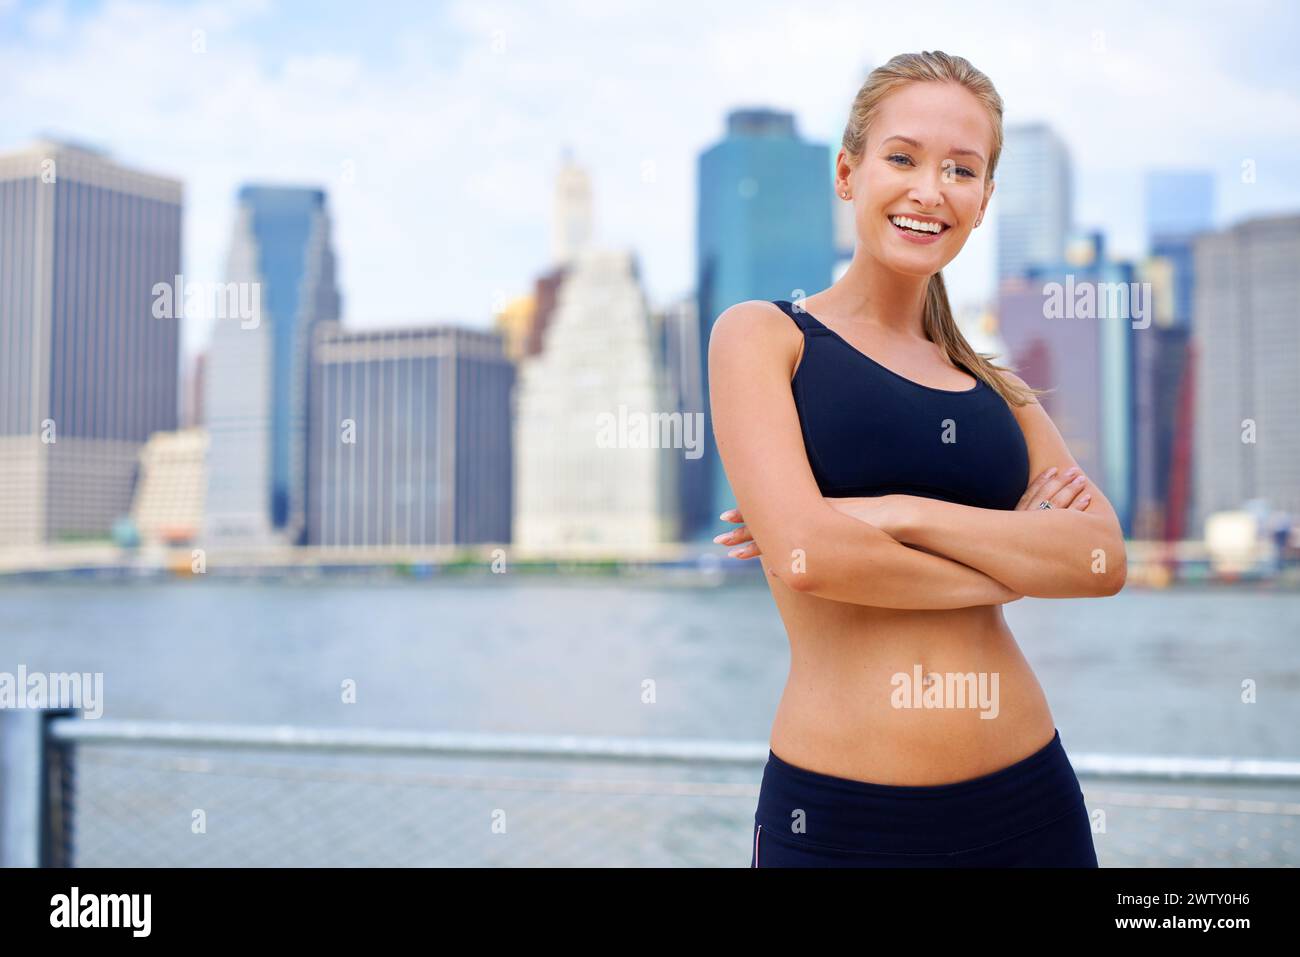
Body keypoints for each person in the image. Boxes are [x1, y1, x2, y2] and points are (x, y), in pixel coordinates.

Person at [706, 50, 1125, 867]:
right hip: (840, 824)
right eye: (902, 158)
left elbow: (1102, 557)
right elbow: (809, 556)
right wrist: (1015, 568)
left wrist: (900, 514)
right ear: (848, 172)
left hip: (1029, 806)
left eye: (961, 170)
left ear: (984, 200)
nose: (930, 190)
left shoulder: (998, 388)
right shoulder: (764, 336)